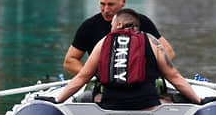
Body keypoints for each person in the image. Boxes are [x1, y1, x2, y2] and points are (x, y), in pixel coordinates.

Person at [54, 8, 201, 109]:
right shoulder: (152, 41)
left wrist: (57, 100)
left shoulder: (104, 42)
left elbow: (82, 77)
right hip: (147, 104)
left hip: (110, 105)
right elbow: (174, 76)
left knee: (87, 96)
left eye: (112, 25)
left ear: (118, 24)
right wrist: (199, 100)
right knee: (174, 98)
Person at [63, 0, 175, 75]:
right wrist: (93, 75)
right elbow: (70, 61)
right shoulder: (89, 26)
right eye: (102, 4)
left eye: (111, 4)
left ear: (123, 2)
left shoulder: (142, 22)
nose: (106, 10)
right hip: (105, 83)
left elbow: (169, 53)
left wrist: (148, 73)